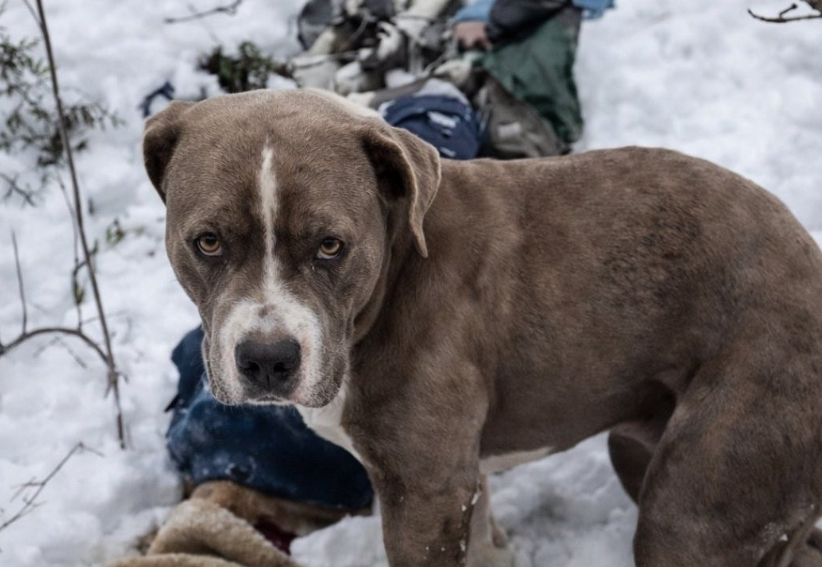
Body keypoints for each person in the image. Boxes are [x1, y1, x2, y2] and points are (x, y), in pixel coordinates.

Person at [161, 0, 614, 555]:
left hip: (431, 114)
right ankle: (238, 504)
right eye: (209, 242)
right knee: (202, 361)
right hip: (334, 117)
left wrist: (490, 19)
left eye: (327, 245)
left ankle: (248, 507)